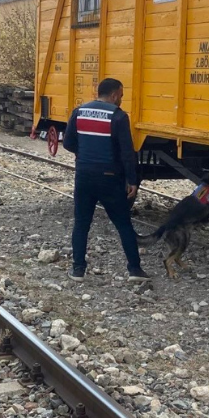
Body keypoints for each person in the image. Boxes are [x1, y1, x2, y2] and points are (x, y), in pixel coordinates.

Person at [62, 78, 150, 282]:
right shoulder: (118, 117)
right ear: (113, 95)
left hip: (84, 175)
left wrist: (84, 155)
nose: (121, 99)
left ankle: (78, 270)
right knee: (123, 223)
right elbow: (127, 152)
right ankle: (135, 270)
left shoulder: (79, 112)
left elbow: (67, 143)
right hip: (110, 177)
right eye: (121, 95)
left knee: (82, 223)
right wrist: (132, 179)